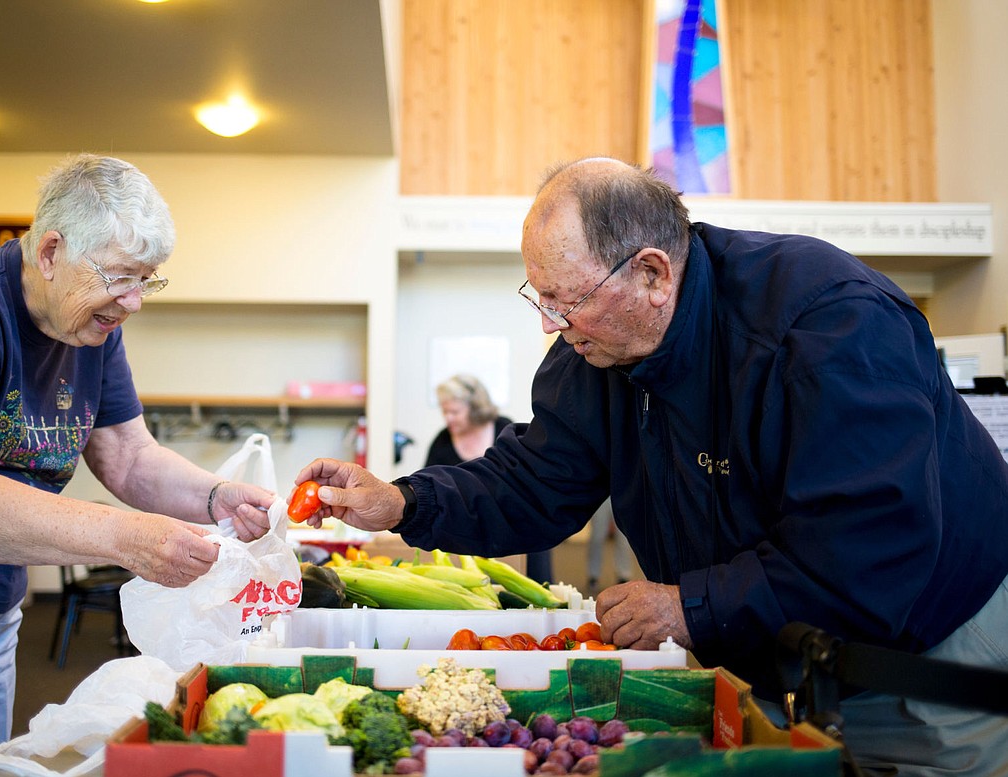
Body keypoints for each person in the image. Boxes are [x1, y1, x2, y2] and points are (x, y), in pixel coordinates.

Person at [282, 157, 1008, 775]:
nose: (551, 326)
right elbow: (533, 479)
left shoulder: (829, 325)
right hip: (770, 657)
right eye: (541, 298)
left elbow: (866, 552)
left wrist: (688, 606)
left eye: (568, 301)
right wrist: (404, 502)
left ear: (654, 274)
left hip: (925, 652)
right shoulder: (595, 351)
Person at [0, 154, 275, 777]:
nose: (133, 302)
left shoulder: (92, 327)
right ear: (50, 253)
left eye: (146, 280)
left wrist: (219, 496)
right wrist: (126, 537)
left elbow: (129, 456)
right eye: (122, 277)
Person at [424, 374, 553, 584]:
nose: (448, 418)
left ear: (474, 407)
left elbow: (525, 479)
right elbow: (431, 488)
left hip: (516, 525)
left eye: (454, 412)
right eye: (444, 411)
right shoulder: (442, 442)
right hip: (468, 534)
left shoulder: (504, 428)